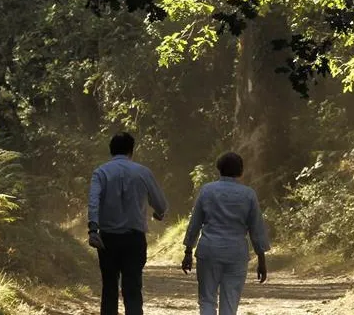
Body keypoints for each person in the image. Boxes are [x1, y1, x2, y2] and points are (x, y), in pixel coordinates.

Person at [88, 132, 168, 315]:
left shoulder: (101, 172)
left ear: (111, 150)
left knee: (109, 287)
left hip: (107, 239)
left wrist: (93, 229)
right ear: (132, 150)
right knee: (132, 287)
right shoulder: (143, 172)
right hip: (134, 239)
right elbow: (161, 204)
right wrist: (159, 213)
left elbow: (93, 201)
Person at [181, 152, 270, 315]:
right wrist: (262, 259)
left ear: (219, 170)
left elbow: (195, 223)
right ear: (241, 172)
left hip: (209, 250)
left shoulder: (207, 190)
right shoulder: (248, 194)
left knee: (207, 299)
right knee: (230, 301)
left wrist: (188, 251)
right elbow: (256, 228)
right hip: (236, 253)